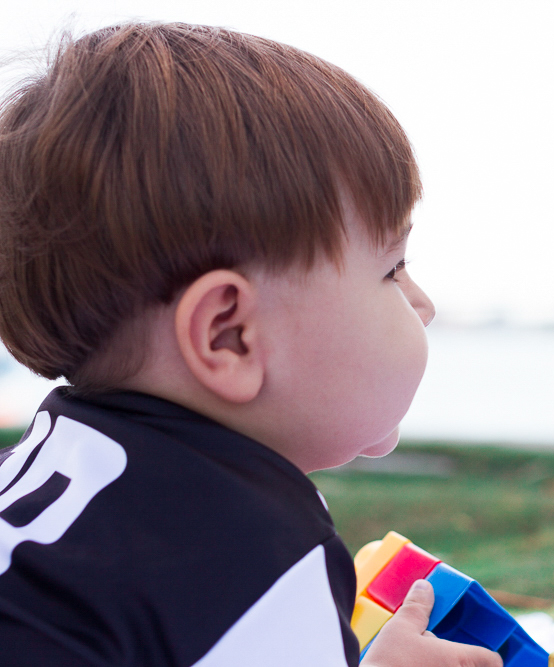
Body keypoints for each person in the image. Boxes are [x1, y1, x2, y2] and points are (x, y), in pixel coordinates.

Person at [0, 21, 502, 667]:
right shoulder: (251, 551)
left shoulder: (41, 473)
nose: (423, 305)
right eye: (391, 269)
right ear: (229, 334)